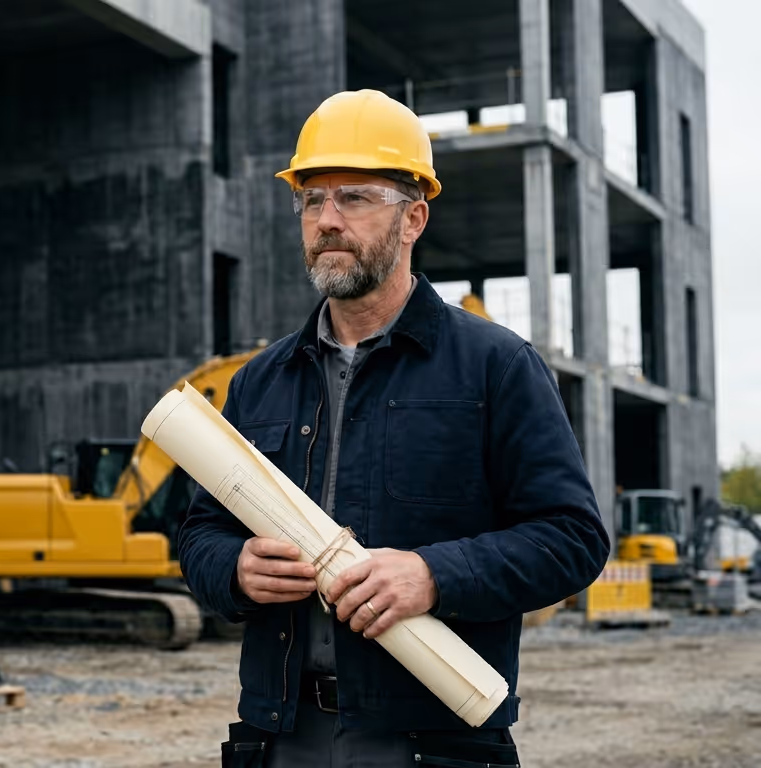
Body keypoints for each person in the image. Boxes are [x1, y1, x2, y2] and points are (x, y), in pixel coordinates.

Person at [178, 89, 611, 767]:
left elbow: (573, 538)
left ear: (413, 218)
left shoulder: (496, 368)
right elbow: (200, 532)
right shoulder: (260, 381)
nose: (326, 220)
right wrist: (232, 568)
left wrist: (434, 574)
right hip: (279, 735)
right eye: (311, 200)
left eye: (353, 198)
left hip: (430, 743)